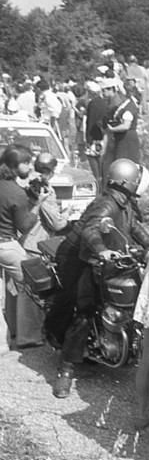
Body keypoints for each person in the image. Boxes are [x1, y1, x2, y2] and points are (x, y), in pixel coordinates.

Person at [44, 159, 149, 399]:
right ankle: (66, 370)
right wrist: (101, 250)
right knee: (84, 310)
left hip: (104, 258)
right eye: (135, 179)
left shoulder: (123, 202)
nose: (138, 183)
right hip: (80, 257)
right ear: (127, 181)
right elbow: (91, 229)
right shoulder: (106, 203)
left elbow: (133, 227)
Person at [0, 144, 47, 351]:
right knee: (32, 284)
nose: (29, 167)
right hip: (7, 246)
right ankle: (30, 337)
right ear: (14, 165)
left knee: (7, 289)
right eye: (26, 163)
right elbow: (24, 225)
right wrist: (38, 204)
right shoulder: (16, 192)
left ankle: (7, 337)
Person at [20, 153, 71, 253]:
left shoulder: (24, 181)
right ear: (52, 170)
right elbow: (57, 224)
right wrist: (67, 213)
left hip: (20, 241)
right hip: (34, 245)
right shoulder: (44, 188)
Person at [105, 79, 141, 164]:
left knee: (125, 163)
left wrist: (112, 129)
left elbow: (126, 125)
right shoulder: (123, 106)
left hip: (127, 139)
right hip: (122, 138)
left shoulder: (128, 107)